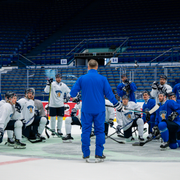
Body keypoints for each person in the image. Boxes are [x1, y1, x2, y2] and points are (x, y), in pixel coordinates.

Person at [70, 59, 122, 163]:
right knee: (99, 132)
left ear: (88, 67)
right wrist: (116, 103)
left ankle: (86, 154)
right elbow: (109, 94)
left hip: (86, 109)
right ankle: (99, 153)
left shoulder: (82, 78)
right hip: (99, 110)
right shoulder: (102, 79)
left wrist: (76, 96)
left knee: (86, 131)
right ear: (97, 67)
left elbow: (72, 93)